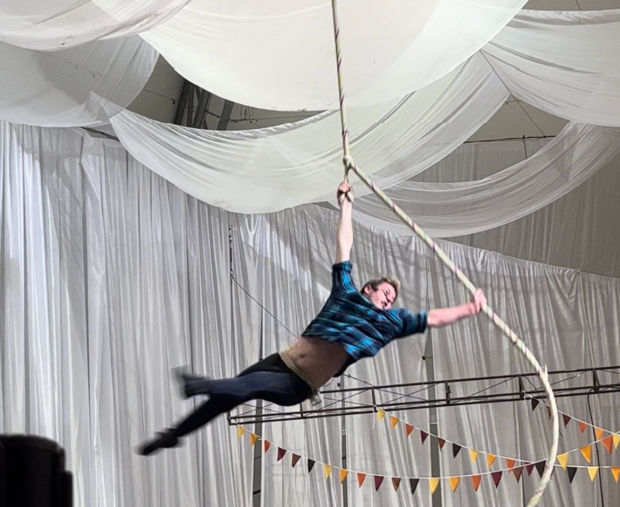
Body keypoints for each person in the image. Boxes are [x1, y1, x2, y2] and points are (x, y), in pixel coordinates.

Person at [138, 180, 486, 454]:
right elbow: (344, 243)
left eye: (392, 300)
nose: (389, 300)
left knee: (245, 387)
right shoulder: (345, 292)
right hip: (280, 361)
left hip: (298, 384)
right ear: (368, 288)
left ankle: (197, 384)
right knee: (225, 398)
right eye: (385, 294)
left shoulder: (390, 323)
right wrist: (346, 205)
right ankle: (174, 434)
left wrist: (468, 309)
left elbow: (432, 318)